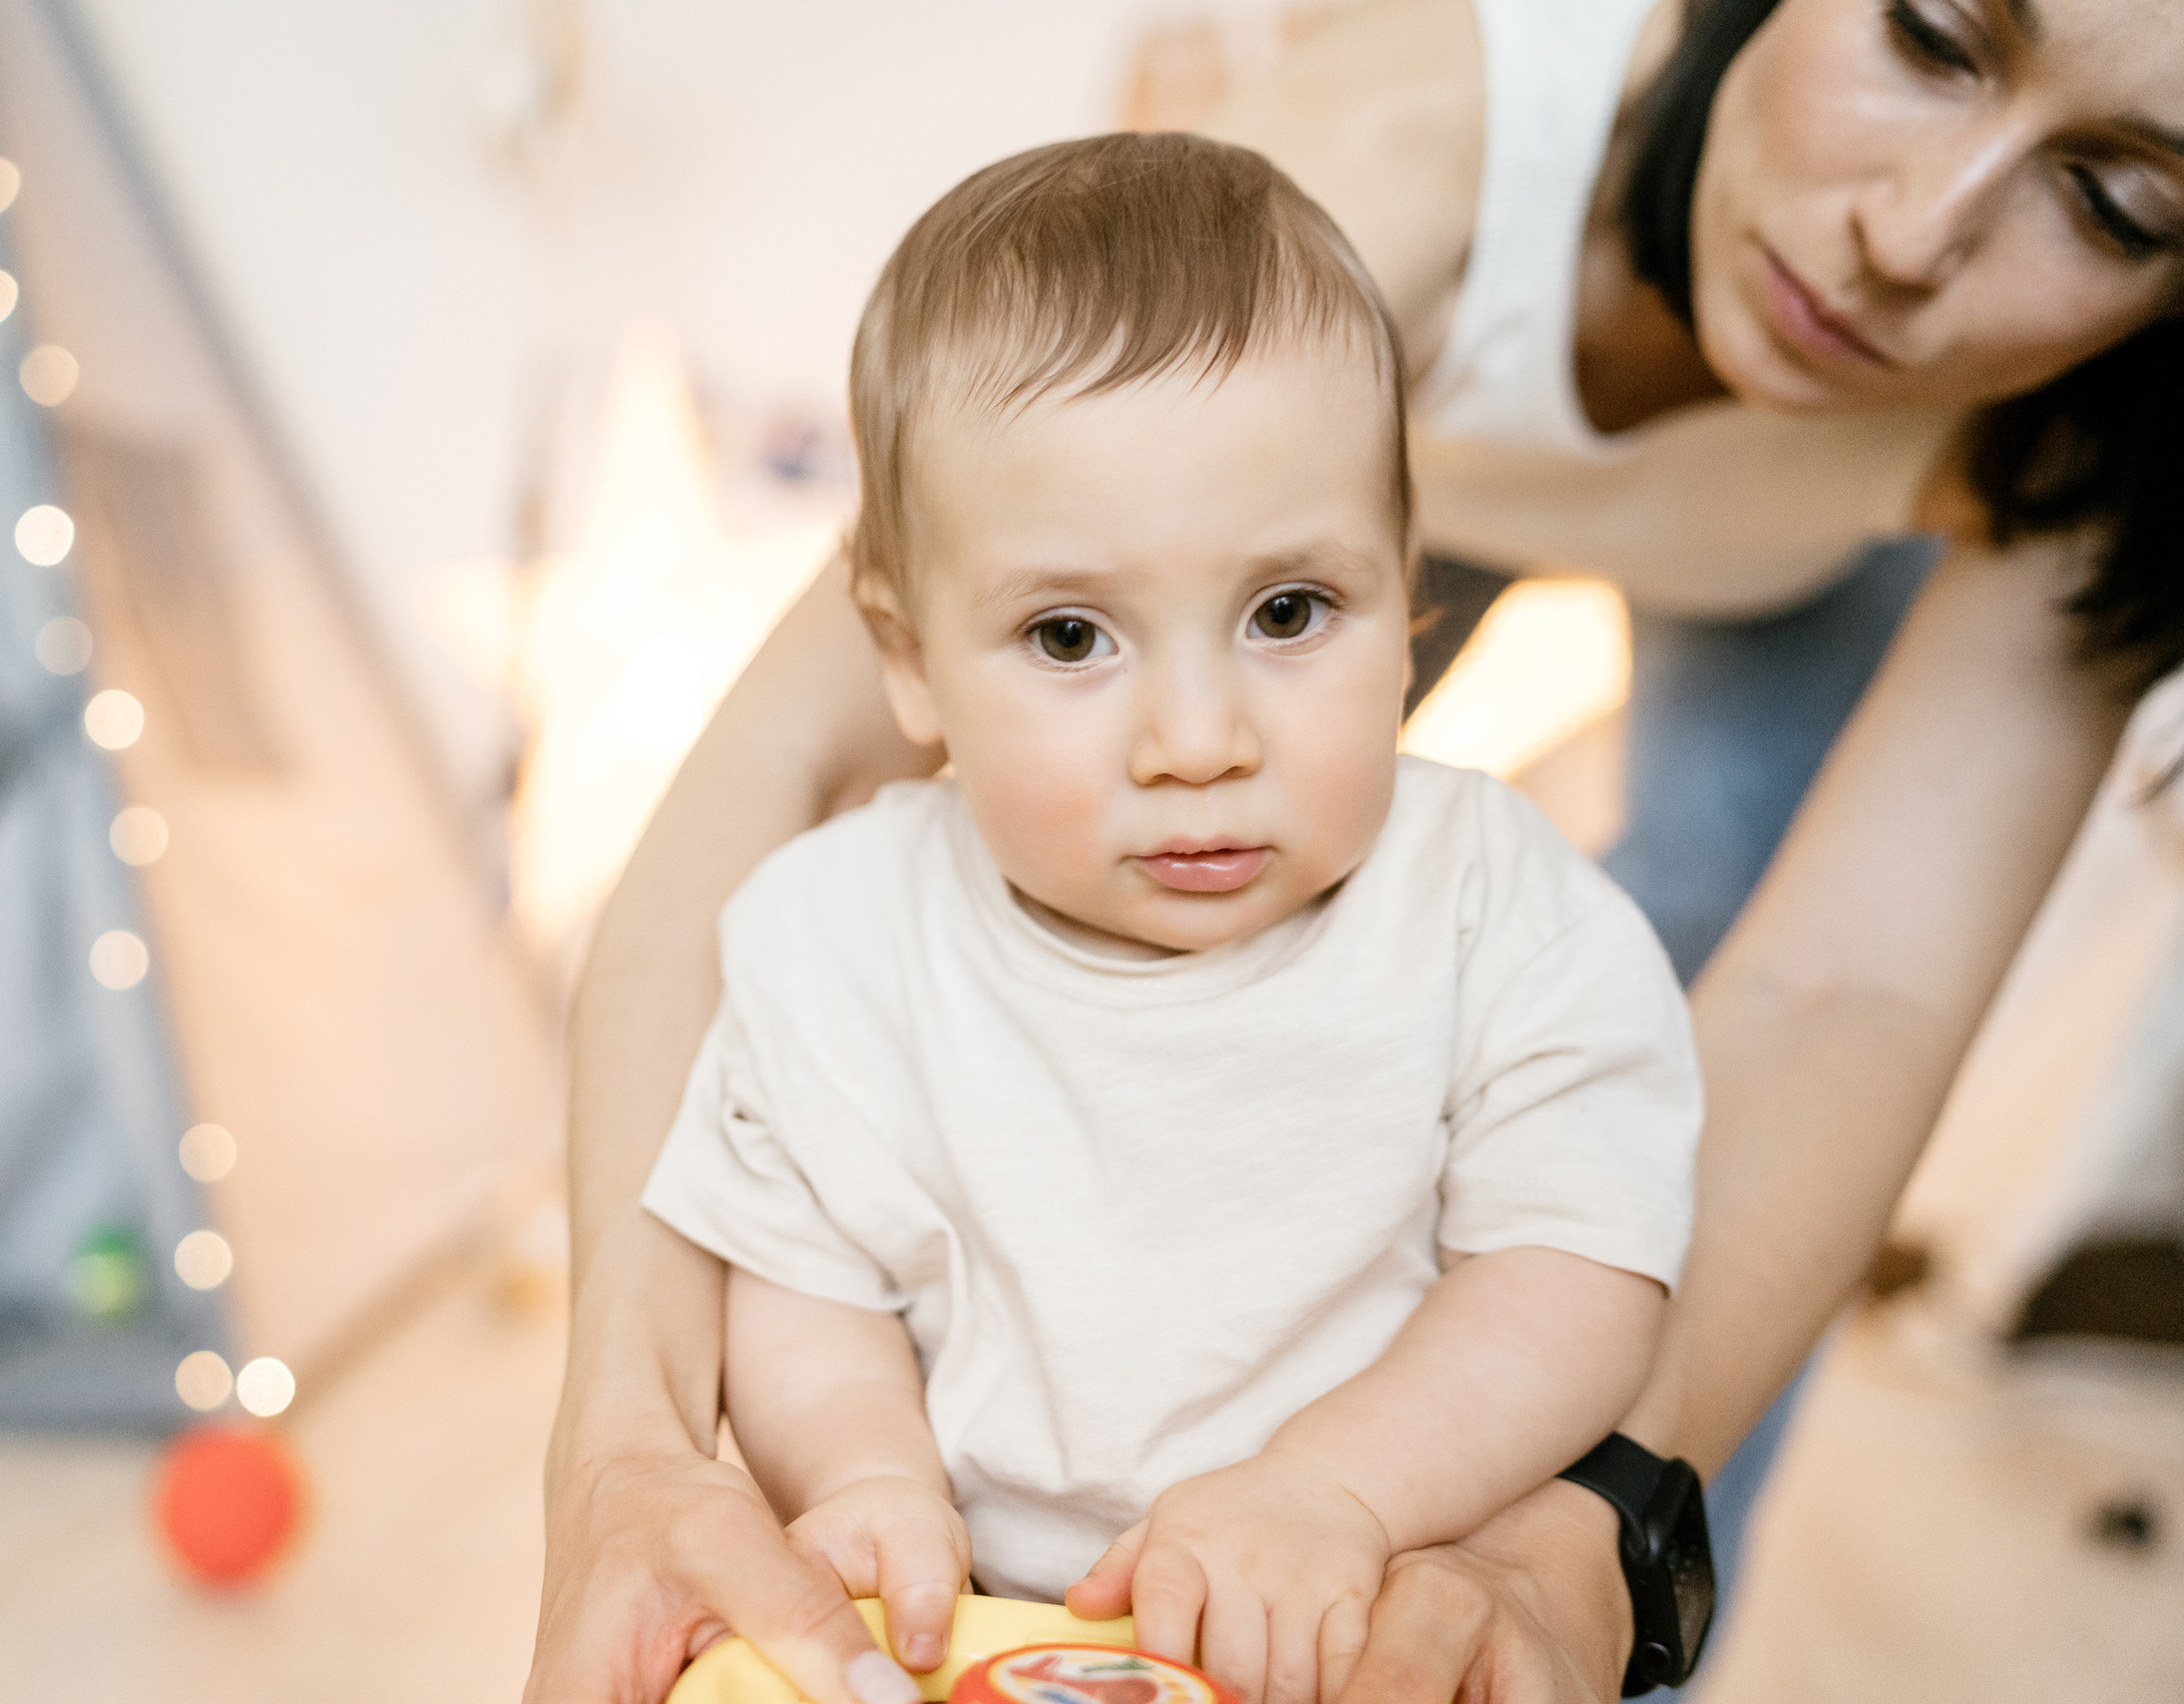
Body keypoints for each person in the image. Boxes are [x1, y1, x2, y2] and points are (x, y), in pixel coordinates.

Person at [524, 0, 2184, 1696]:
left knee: (1616, 1055)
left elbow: (1839, 1003)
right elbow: (778, 799)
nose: (1910, 237)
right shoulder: (1377, 174)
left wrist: (1562, 1537)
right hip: (1298, 458)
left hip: (1728, 576)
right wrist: (632, 1449)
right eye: (1925, 32)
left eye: (2120, 203)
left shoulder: (1504, 899)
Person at [636, 135, 1701, 1704]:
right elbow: (805, 1280)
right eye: (1070, 635)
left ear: (1405, 598)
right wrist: (862, 1480)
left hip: (1386, 1613)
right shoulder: (840, 936)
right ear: (909, 656)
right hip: (985, 1628)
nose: (1197, 739)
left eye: (1288, 613)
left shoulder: (1492, 907)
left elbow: (1578, 1266)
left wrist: (1342, 1488)